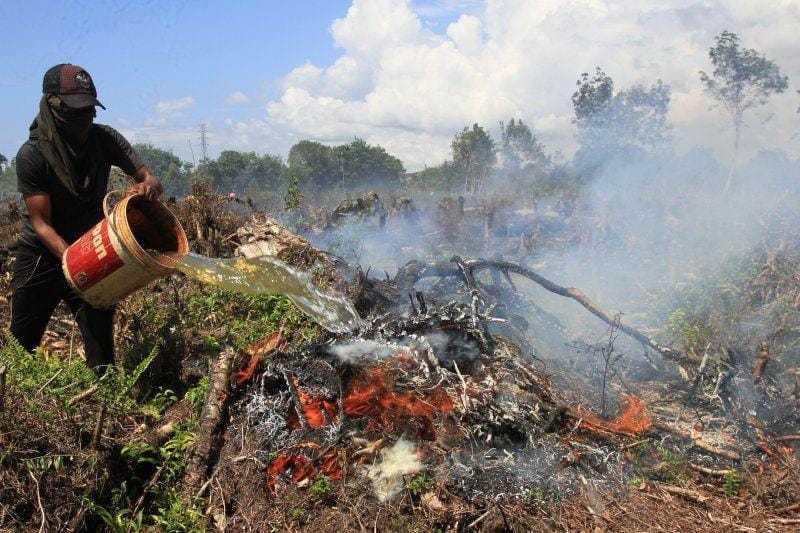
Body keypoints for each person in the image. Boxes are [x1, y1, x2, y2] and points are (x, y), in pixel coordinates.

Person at [10, 63, 163, 370]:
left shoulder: (105, 139)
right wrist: (72, 259)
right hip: (43, 255)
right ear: (53, 107)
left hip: (93, 250)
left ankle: (104, 401)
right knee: (21, 345)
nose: (85, 118)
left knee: (101, 351)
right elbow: (41, 224)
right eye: (75, 110)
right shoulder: (33, 156)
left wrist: (147, 187)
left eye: (89, 109)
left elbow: (150, 178)